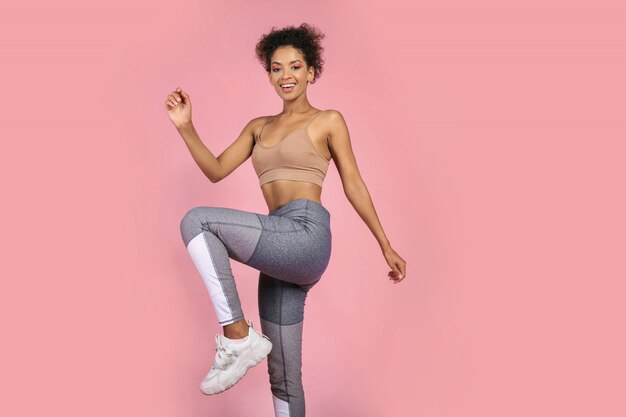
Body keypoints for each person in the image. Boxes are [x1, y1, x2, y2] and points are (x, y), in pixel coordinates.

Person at [165, 23, 406, 417]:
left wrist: (385, 244)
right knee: (284, 377)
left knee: (197, 221)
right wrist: (186, 126)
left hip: (306, 235)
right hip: (278, 246)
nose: (286, 76)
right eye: (277, 69)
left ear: (312, 72)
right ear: (269, 75)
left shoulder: (329, 119)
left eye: (295, 67)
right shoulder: (258, 128)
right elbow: (215, 170)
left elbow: (354, 185)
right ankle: (246, 345)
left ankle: (238, 336)